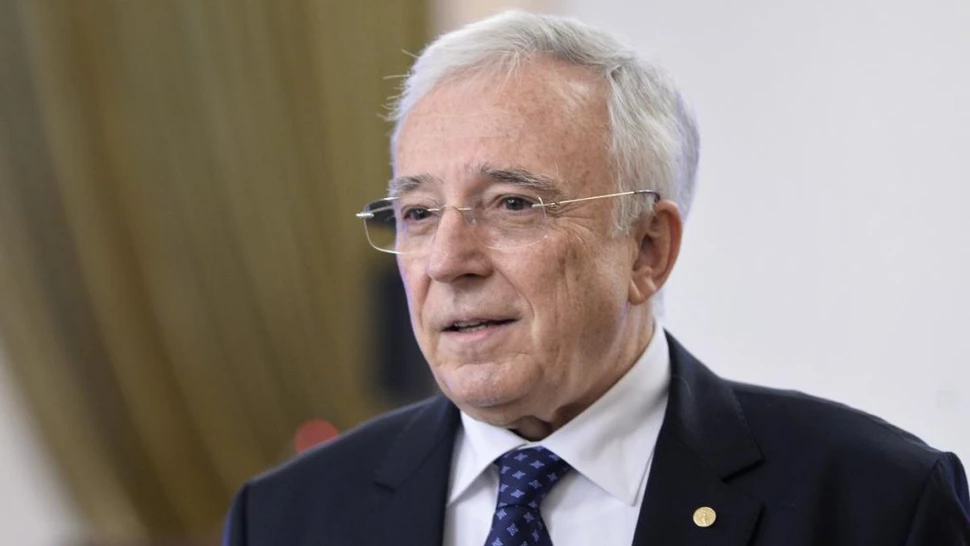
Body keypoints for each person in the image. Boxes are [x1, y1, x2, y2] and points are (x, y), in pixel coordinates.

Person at [223, 10, 970, 545]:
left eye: (512, 204)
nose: (447, 261)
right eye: (418, 213)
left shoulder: (876, 504)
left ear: (646, 250)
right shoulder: (285, 519)